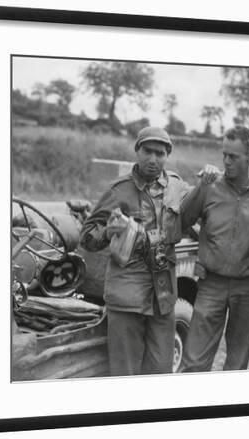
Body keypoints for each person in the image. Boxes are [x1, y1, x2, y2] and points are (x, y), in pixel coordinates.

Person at [80, 127, 191, 376]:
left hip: (163, 295)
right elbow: (87, 238)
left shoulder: (177, 187)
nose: (153, 159)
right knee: (125, 372)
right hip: (127, 293)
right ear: (137, 151)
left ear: (167, 156)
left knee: (161, 369)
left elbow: (195, 216)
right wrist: (109, 232)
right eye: (147, 151)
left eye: (160, 153)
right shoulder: (118, 190)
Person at [179, 126, 249, 372]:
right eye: (224, 155)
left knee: (238, 363)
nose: (226, 162)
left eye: (233, 157)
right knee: (194, 362)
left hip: (248, 286)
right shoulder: (210, 186)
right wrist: (199, 187)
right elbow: (183, 220)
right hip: (211, 284)